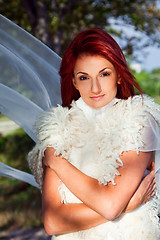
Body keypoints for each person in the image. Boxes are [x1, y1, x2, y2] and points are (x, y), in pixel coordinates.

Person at [27, 29, 160, 240]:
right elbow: (53, 223)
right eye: (84, 77)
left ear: (118, 74)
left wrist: (57, 161)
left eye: (104, 74)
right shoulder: (57, 130)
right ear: (73, 82)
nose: (95, 87)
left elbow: (110, 206)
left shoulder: (139, 120)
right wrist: (130, 204)